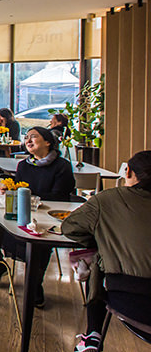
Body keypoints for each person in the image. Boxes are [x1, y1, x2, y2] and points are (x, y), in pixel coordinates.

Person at [62, 150, 151, 352]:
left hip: (131, 302)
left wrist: (104, 241)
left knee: (100, 260)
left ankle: (93, 335)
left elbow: (69, 227)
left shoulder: (109, 199)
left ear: (128, 172)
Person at [0, 126, 75, 308]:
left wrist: (30, 195)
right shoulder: (24, 165)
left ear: (47, 142)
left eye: (33, 137)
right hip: (24, 212)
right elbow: (17, 187)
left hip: (48, 216)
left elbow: (60, 196)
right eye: (27, 138)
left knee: (39, 239)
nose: (28, 141)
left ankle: (35, 283)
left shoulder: (62, 166)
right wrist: (4, 188)